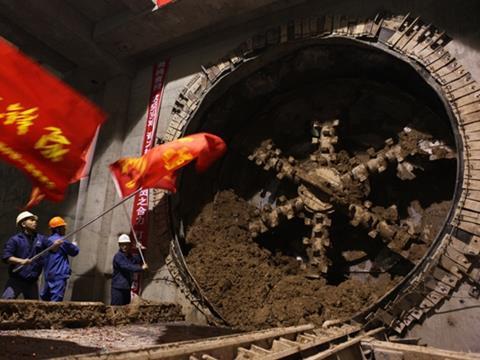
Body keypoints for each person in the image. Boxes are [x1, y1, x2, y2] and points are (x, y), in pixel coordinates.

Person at [1, 211, 61, 299]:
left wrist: (56, 245)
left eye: (35, 220)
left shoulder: (41, 238)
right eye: (31, 220)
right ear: (23, 224)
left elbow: (53, 249)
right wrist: (21, 261)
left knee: (33, 307)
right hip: (16, 279)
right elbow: (6, 257)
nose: (35, 222)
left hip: (32, 281)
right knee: (5, 303)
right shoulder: (15, 240)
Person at [40, 216, 79, 302]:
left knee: (45, 300)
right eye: (63, 227)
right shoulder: (62, 241)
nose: (65, 229)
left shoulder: (48, 240)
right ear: (58, 229)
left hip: (47, 275)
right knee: (56, 301)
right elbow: (75, 252)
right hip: (58, 274)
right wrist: (74, 245)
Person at [111, 234, 148, 305]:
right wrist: (141, 268)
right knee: (116, 309)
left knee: (125, 309)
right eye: (122, 244)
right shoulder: (118, 256)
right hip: (118, 288)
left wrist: (140, 250)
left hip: (126, 288)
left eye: (126, 244)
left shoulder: (130, 256)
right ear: (119, 245)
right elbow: (127, 266)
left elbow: (138, 259)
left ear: (129, 245)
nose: (124, 246)